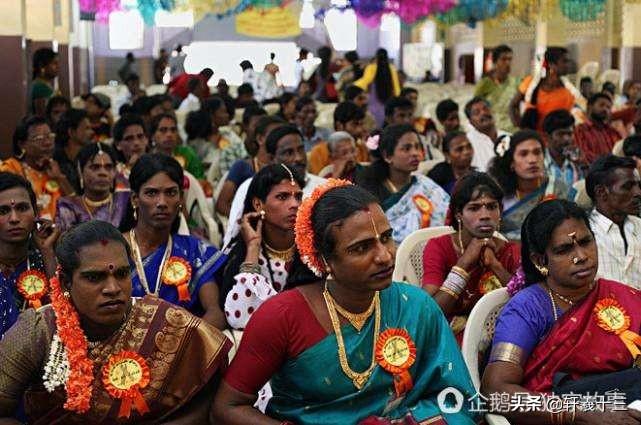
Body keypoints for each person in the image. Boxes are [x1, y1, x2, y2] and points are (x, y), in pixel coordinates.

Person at [213, 181, 477, 424]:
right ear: (324, 260)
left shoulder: (416, 305)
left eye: (386, 237)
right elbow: (227, 408)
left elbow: (458, 398)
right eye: (361, 248)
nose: (384, 256)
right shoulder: (282, 316)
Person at [0, 220, 231, 423]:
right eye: (94, 277)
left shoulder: (165, 320)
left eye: (121, 274)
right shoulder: (38, 329)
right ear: (65, 282)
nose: (112, 289)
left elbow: (209, 394)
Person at [482, 199, 641, 423]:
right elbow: (495, 391)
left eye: (586, 242)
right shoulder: (528, 309)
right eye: (564, 249)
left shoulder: (619, 296)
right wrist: (582, 414)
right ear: (539, 260)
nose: (582, 256)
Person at [121, 154, 227, 328]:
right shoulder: (115, 249)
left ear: (180, 199)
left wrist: (180, 346)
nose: (162, 202)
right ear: (135, 199)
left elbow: (215, 312)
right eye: (151, 193)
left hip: (182, 347)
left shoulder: (193, 251)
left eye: (171, 192)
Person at [422, 172, 520, 340]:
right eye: (474, 208)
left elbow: (526, 304)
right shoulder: (438, 247)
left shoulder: (510, 251)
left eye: (491, 206)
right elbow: (430, 313)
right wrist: (464, 264)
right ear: (458, 214)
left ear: (500, 211)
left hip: (499, 334)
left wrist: (495, 266)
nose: (485, 215)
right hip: (448, 336)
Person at [222, 164, 304, 329]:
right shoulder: (239, 253)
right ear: (258, 204)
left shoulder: (311, 250)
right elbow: (240, 319)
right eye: (283, 197)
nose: (294, 204)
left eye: (298, 197)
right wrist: (253, 247)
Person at [224, 125, 326, 246]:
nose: (298, 158)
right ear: (272, 159)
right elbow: (232, 237)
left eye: (301, 149)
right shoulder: (250, 186)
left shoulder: (323, 186)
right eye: (289, 152)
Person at [355, 124, 450, 244]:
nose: (415, 153)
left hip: (434, 249)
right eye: (407, 148)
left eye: (417, 147)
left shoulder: (425, 184)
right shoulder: (370, 191)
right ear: (387, 156)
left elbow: (449, 214)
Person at [0, 172, 58, 339]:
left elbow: (66, 314)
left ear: (36, 213)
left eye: (22, 208)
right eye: (3, 211)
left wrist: (47, 251)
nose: (14, 218)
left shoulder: (45, 262)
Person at [489, 130, 569, 241]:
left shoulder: (559, 188)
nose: (532, 160)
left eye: (537, 152)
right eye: (523, 154)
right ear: (511, 162)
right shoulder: (499, 197)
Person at [2, 116, 75, 220]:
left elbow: (77, 210)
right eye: (39, 138)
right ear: (22, 145)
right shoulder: (10, 168)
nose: (48, 143)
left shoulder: (57, 168)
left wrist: (59, 178)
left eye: (50, 136)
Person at [585, 155, 641, 288]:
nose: (638, 192)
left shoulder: (639, 226)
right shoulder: (585, 232)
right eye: (628, 186)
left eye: (639, 185)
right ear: (601, 192)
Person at [216, 116, 285, 218]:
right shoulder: (242, 166)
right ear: (260, 139)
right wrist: (243, 220)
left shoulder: (285, 167)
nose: (281, 140)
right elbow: (221, 204)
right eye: (275, 135)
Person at [55, 143, 130, 232]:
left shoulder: (125, 202)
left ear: (115, 172)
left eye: (108, 167)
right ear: (80, 172)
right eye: (95, 167)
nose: (103, 173)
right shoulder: (68, 206)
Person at [510, 47, 576, 131]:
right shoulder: (531, 83)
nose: (568, 65)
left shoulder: (569, 89)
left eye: (568, 61)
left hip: (558, 139)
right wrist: (521, 128)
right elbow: (513, 106)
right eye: (564, 61)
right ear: (551, 64)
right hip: (535, 138)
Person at [308, 101, 369, 175]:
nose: (360, 129)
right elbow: (320, 184)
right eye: (354, 124)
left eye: (361, 124)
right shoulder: (319, 152)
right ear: (339, 125)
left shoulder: (362, 149)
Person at [474, 45, 520, 133]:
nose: (508, 63)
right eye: (503, 59)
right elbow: (475, 108)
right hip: (492, 130)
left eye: (510, 59)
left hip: (512, 129)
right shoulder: (485, 84)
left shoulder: (516, 82)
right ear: (495, 62)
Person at [354, 48, 401, 127]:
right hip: (388, 101)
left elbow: (365, 81)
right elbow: (396, 87)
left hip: (373, 102)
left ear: (376, 57)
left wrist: (353, 85)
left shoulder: (371, 68)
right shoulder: (392, 68)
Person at [150, 113, 204, 179]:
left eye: (173, 130)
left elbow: (201, 181)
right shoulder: (148, 160)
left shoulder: (187, 154)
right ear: (152, 136)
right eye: (163, 130)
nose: (169, 134)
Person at [53, 109, 95, 193]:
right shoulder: (56, 163)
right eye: (87, 128)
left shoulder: (90, 158)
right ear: (71, 132)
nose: (92, 132)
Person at [574, 93, 621, 163]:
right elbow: (583, 155)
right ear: (590, 107)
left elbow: (620, 154)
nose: (605, 109)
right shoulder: (580, 130)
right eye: (601, 105)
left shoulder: (613, 132)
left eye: (608, 107)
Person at [542, 109, 584, 188]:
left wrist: (582, 165)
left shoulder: (577, 164)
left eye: (569, 134)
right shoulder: (539, 164)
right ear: (547, 137)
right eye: (560, 134)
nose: (566, 139)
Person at [465, 97, 509, 172]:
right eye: (477, 112)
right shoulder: (467, 142)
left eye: (486, 109)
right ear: (470, 121)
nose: (483, 113)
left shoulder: (508, 137)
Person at [112, 114, 149, 189]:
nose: (136, 143)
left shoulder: (159, 165)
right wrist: (130, 169)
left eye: (140, 136)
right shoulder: (113, 172)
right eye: (129, 138)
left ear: (146, 139)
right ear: (118, 144)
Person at [30, 48, 59, 117]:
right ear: (41, 65)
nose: (58, 67)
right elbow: (42, 115)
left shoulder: (45, 85)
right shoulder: (39, 87)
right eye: (54, 63)